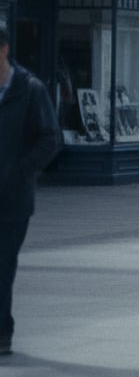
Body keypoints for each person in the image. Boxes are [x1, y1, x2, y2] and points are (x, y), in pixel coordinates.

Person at [0, 26, 62, 356]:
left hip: (13, 199)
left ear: (4, 50)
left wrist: (19, 172)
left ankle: (2, 333)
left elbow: (50, 139)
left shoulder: (29, 89)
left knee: (2, 265)